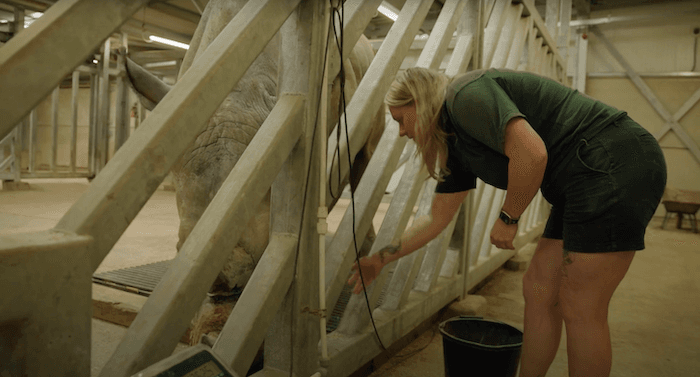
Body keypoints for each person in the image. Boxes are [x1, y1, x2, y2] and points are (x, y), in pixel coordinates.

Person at [347, 67, 667, 377]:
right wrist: (380, 259)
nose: (402, 132)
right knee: (539, 288)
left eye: (401, 120)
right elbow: (437, 218)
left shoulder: (464, 94)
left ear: (418, 100)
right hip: (578, 181)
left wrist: (508, 217)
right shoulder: (453, 141)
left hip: (615, 160)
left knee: (581, 305)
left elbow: (531, 153)